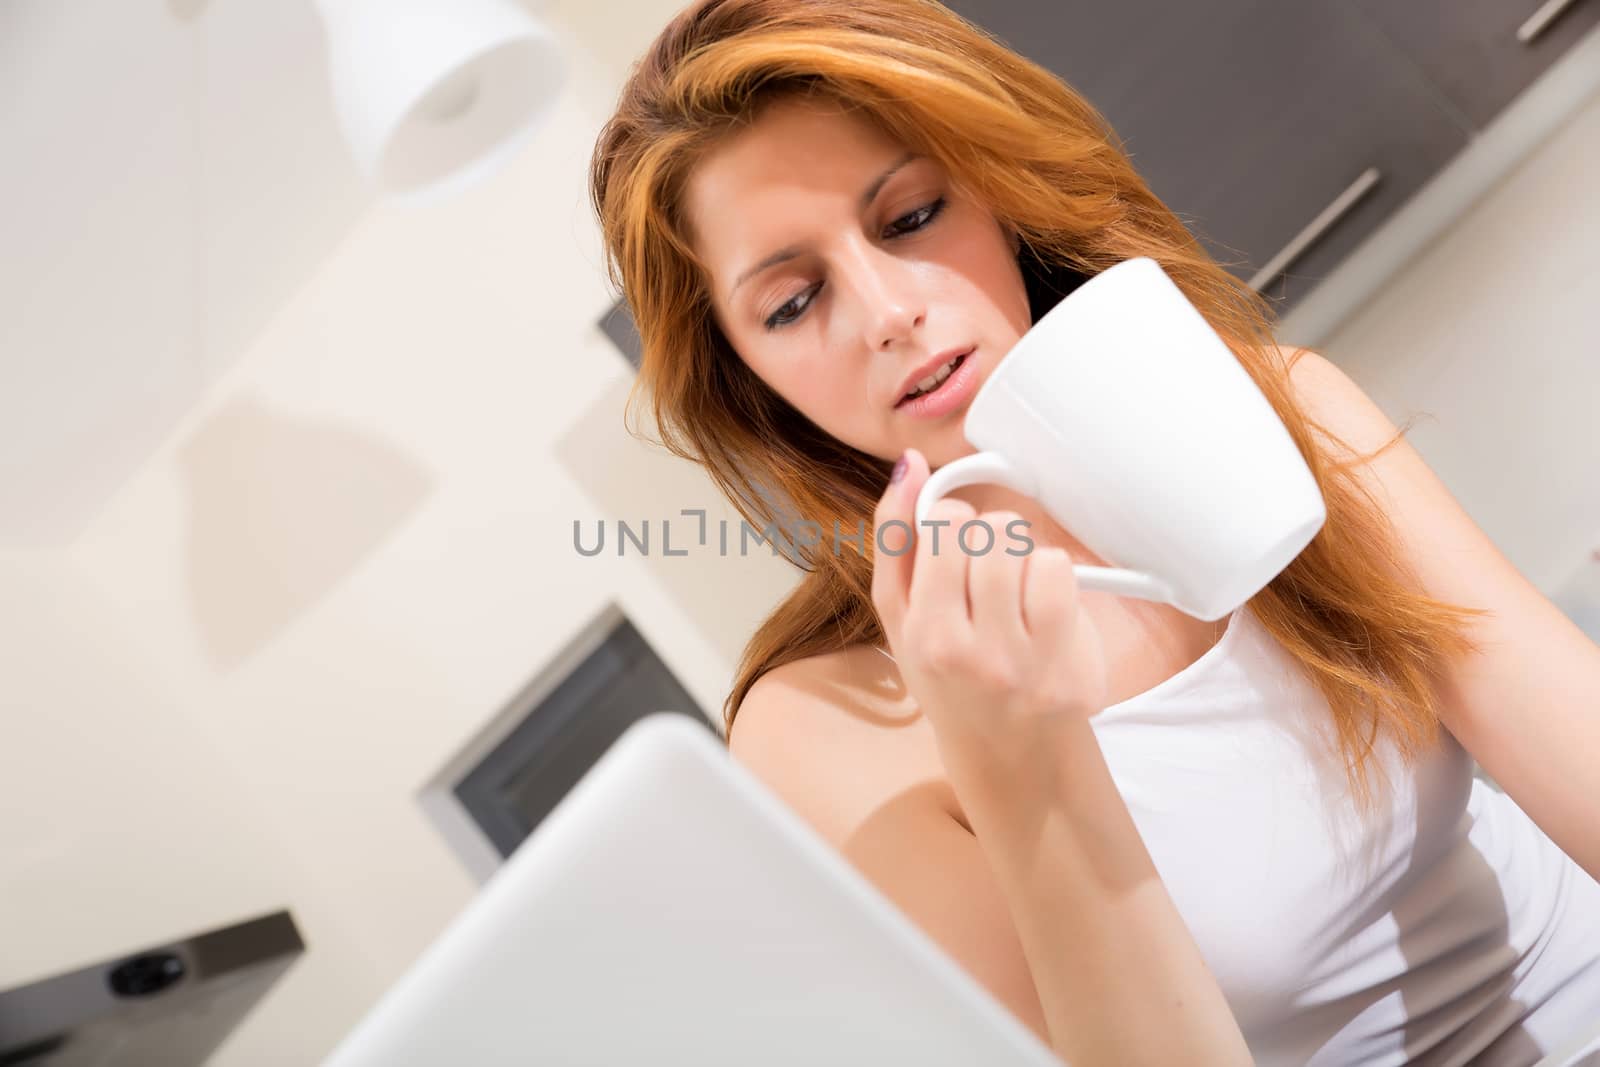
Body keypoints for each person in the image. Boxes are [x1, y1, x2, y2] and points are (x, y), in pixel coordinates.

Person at [586, 1, 1600, 1063]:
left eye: (912, 216)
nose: (888, 309)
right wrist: (1020, 761)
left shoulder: (1277, 414)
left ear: (998, 197)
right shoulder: (819, 722)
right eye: (793, 304)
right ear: (746, 379)